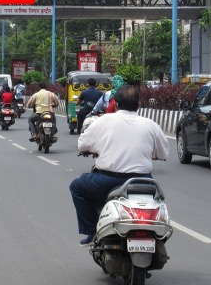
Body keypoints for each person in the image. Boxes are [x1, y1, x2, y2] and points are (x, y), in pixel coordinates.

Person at [69, 84, 169, 245]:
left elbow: (83, 145)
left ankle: (92, 232)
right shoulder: (150, 125)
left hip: (106, 181)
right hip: (143, 182)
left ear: (115, 104)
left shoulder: (104, 120)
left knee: (76, 187)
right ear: (138, 104)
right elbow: (163, 153)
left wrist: (96, 149)